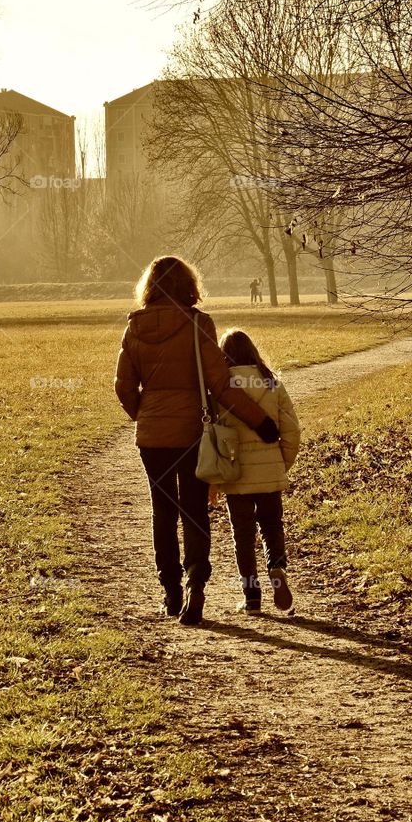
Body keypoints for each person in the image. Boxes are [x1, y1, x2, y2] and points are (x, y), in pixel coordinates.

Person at [115, 256, 280, 626]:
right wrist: (261, 422)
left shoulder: (134, 328)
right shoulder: (198, 325)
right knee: (193, 511)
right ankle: (196, 589)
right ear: (188, 285)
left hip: (153, 437)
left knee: (163, 512)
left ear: (150, 286)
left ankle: (170, 592)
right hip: (193, 432)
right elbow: (221, 385)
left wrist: (145, 415)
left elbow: (123, 386)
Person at [213, 328, 301, 613]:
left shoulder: (220, 387)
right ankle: (277, 569)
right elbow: (292, 431)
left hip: (235, 472)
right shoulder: (271, 382)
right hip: (269, 472)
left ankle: (251, 596)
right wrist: (280, 464)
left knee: (243, 535)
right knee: (272, 526)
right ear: (253, 351)